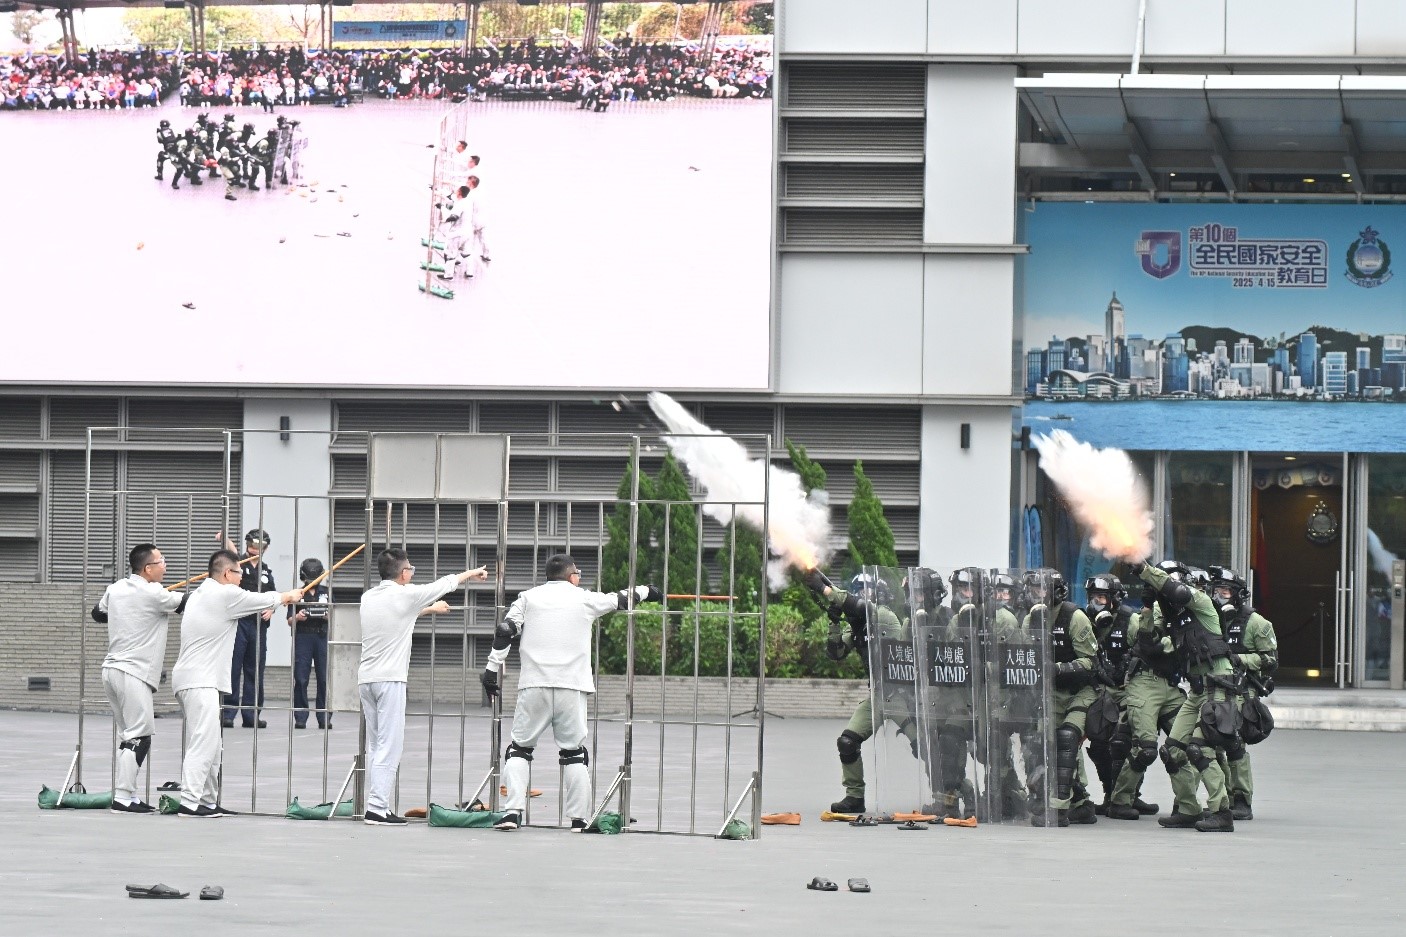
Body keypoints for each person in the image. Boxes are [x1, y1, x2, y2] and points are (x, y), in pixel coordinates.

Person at [482, 554, 660, 831]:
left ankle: (512, 813)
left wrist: (492, 669)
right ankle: (578, 819)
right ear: (572, 576)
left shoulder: (528, 598)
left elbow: (505, 630)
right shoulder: (583, 598)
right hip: (572, 685)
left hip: (534, 684)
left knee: (519, 749)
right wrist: (648, 591)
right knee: (574, 752)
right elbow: (621, 599)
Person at [360, 549, 488, 826]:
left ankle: (377, 806)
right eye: (411, 569)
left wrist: (430, 609)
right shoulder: (405, 594)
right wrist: (472, 573)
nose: (412, 573)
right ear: (403, 573)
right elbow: (444, 584)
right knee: (389, 746)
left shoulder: (369, 597)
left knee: (376, 744)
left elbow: (400, 615)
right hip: (390, 679)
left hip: (366, 679)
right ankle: (376, 808)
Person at [171, 550, 302, 818]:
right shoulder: (224, 594)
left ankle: (207, 802)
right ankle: (189, 801)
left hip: (196, 678)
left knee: (213, 744)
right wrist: (288, 596)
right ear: (227, 573)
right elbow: (260, 599)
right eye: (240, 573)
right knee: (204, 742)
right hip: (199, 680)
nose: (242, 578)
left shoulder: (201, 594)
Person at [1131, 559, 1239, 832]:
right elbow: (1147, 643)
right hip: (1197, 690)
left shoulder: (1200, 601)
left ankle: (1221, 812)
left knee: (1200, 747)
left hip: (1219, 683)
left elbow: (1176, 591)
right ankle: (1188, 809)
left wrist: (1142, 568)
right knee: (1172, 751)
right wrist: (1146, 607)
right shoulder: (1171, 618)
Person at [800, 568, 907, 816]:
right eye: (858, 592)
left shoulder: (883, 615)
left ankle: (952, 792)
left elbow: (858, 606)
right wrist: (835, 622)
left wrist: (824, 588)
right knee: (847, 742)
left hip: (902, 695)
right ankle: (855, 796)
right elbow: (835, 653)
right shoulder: (858, 626)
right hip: (878, 696)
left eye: (864, 592)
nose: (859, 596)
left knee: (925, 748)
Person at [91, 543, 187, 813]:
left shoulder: (117, 588)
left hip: (111, 670)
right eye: (162, 560)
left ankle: (128, 795)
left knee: (129, 736)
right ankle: (122, 797)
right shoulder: (154, 593)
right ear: (148, 568)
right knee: (140, 736)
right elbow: (188, 604)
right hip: (133, 673)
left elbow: (97, 614)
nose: (165, 565)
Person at [1022, 571, 1099, 826]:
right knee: (1044, 744)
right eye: (1033, 590)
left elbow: (1091, 662)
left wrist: (1058, 668)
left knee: (1067, 738)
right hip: (1049, 692)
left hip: (1080, 690)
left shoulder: (1074, 617)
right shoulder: (1031, 619)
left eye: (1042, 590)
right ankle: (1081, 803)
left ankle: (1058, 810)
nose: (1037, 595)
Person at [1082, 574, 1159, 818]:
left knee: (1128, 741)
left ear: (1115, 599)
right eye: (1093, 598)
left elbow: (1147, 649)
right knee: (1099, 742)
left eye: (1102, 597)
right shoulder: (1083, 620)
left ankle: (1129, 795)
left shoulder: (1131, 621)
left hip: (1127, 688)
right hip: (1099, 689)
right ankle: (1109, 795)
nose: (1097, 603)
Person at [1209, 565, 1277, 821]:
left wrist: (1239, 659)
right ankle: (1223, 797)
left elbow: (1270, 660)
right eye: (1216, 591)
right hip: (1213, 690)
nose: (1219, 597)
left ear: (1238, 595)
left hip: (1241, 691)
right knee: (1211, 745)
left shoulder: (1255, 622)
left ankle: (1242, 799)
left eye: (1225, 591)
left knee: (1234, 744)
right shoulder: (1209, 618)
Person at [220, 529, 276, 729]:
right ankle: (228, 711)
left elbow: (273, 595)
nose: (255, 550)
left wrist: (272, 609)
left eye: (260, 547)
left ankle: (251, 714)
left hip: (258, 624)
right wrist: (225, 540)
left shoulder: (266, 570)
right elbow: (230, 555)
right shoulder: (238, 566)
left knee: (255, 670)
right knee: (233, 668)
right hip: (239, 622)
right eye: (253, 546)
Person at [288, 558, 331, 730]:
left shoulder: (327, 592)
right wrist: (298, 617)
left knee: (324, 678)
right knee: (300, 678)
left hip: (321, 636)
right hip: (303, 637)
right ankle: (300, 716)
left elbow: (335, 615)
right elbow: (290, 620)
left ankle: (324, 716)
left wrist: (326, 615)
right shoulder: (297, 594)